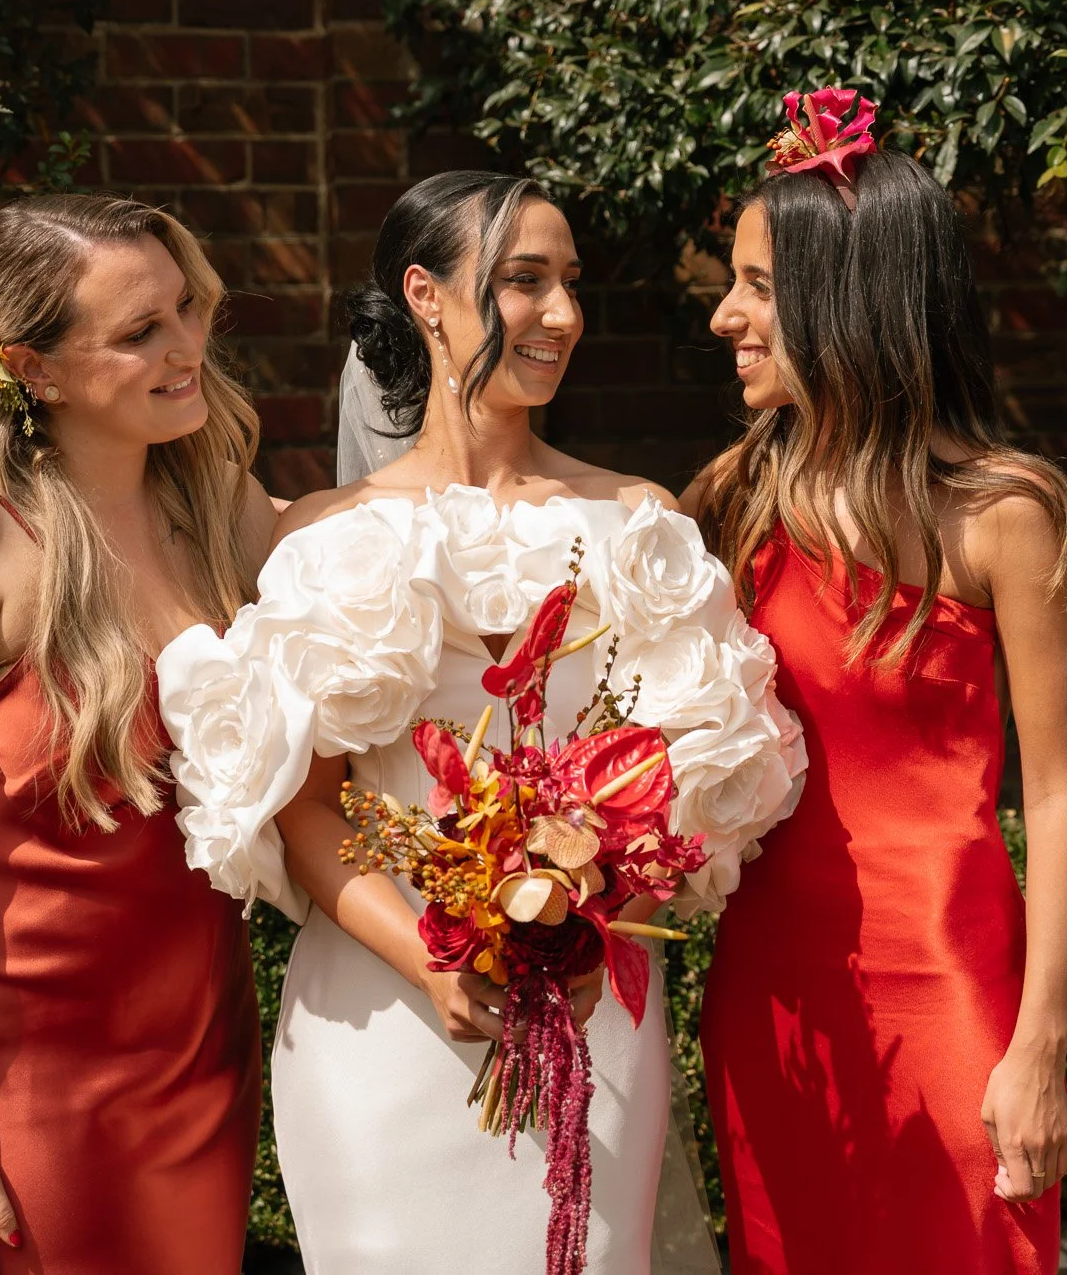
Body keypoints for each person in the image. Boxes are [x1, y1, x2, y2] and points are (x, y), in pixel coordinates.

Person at [157, 170, 804, 1274]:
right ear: (425, 295)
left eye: (568, 284)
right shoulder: (321, 538)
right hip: (379, 1019)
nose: (560, 314)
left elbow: (688, 777)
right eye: (522, 282)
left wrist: (590, 923)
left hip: (589, 1005)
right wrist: (431, 959)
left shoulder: (638, 524)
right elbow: (302, 804)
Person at [689, 91, 1067, 1275]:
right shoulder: (731, 502)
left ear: (846, 296)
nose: (725, 316)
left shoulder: (1002, 516)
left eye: (757, 287)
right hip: (771, 998)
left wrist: (1039, 1050)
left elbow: (1060, 794)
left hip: (951, 987)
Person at [0, 195, 274, 1275]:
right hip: (16, 1070)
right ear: (32, 368)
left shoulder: (213, 499)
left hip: (198, 1051)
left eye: (184, 309)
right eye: (139, 333)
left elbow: (377, 573)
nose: (186, 350)